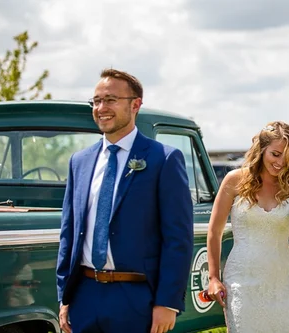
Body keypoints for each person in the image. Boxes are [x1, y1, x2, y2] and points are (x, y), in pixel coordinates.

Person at [56, 69, 195, 333]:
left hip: (137, 298)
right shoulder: (80, 161)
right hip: (84, 295)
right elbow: (69, 233)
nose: (101, 108)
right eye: (96, 101)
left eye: (110, 100)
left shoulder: (163, 159)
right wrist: (65, 295)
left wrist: (167, 302)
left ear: (135, 105)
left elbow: (178, 239)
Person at [204, 121, 289, 332]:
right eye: (276, 154)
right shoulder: (234, 180)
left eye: (287, 157)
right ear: (261, 149)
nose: (281, 162)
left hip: (280, 281)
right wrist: (214, 278)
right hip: (242, 278)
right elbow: (214, 232)